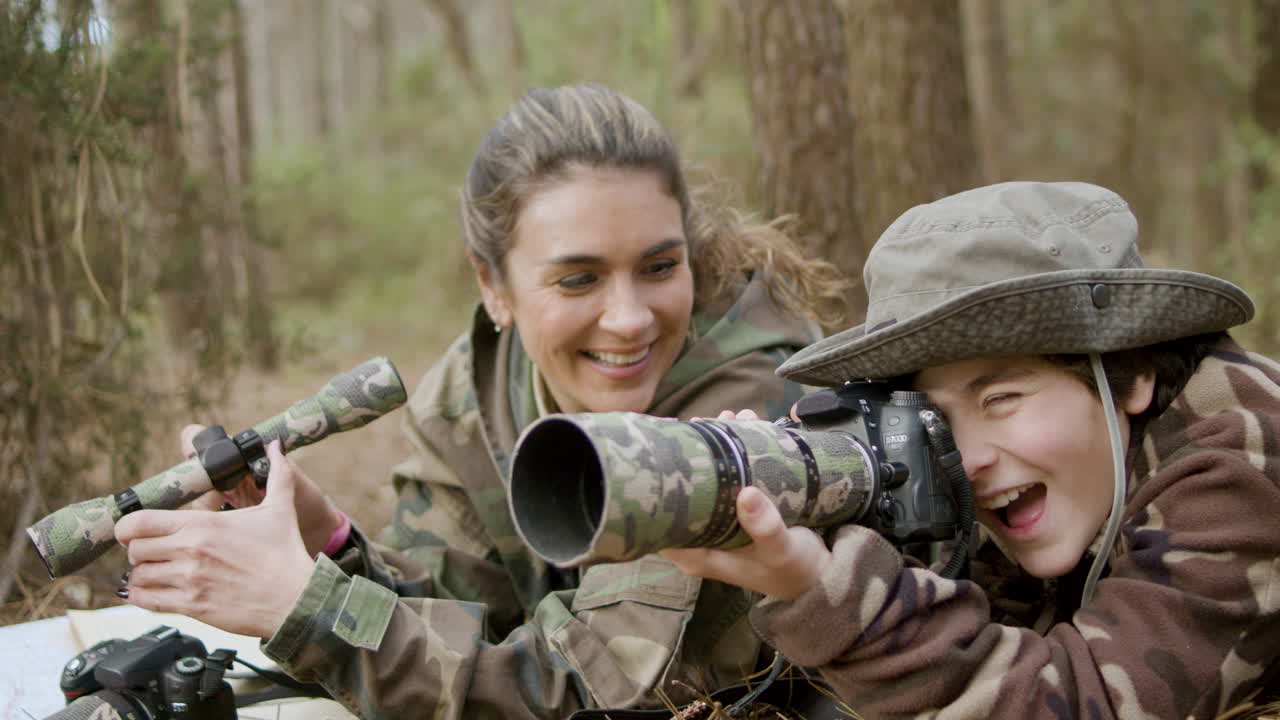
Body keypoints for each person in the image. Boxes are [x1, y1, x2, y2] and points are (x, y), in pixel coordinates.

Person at [113, 83, 847, 718]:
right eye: (578, 279)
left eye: (659, 266)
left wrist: (305, 609)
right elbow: (462, 614)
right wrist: (332, 546)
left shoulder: (749, 412)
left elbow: (584, 694)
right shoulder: (474, 396)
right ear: (494, 287)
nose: (628, 318)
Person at [662, 181, 1280, 719]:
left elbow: (1082, 701)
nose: (970, 459)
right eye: (936, 419)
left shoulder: (1242, 464)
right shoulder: (1069, 480)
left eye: (1002, 399)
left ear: (1133, 371)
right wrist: (822, 512)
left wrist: (828, 591)